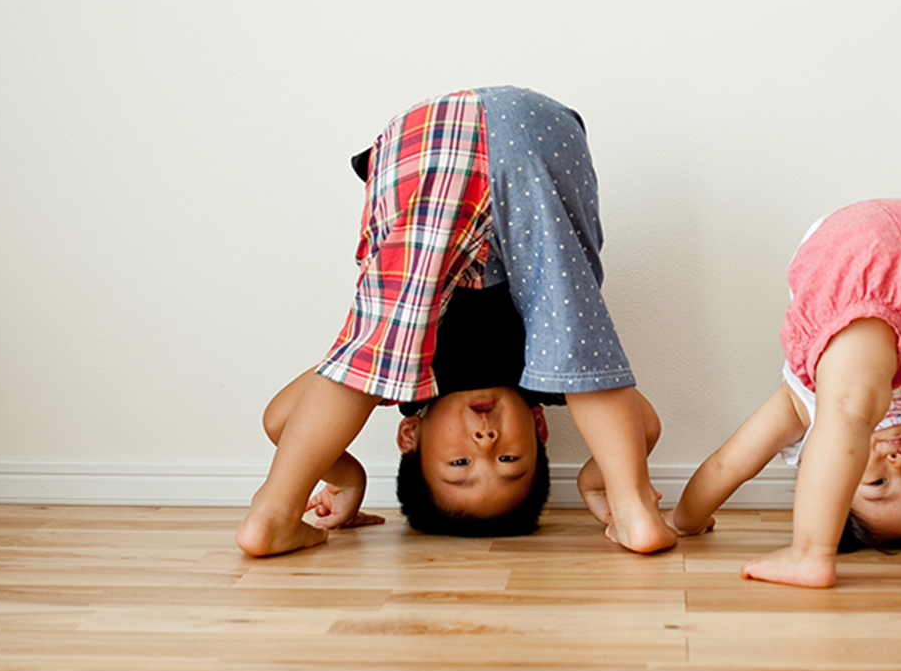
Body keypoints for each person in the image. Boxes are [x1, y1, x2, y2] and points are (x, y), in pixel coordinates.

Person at [236, 87, 673, 557]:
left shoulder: (402, 379)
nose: (486, 442)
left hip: (431, 144)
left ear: (411, 436)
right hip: (533, 138)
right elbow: (643, 426)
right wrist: (598, 476)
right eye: (509, 459)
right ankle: (632, 507)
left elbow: (281, 418)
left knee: (373, 354)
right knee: (577, 344)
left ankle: (274, 512)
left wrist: (346, 475)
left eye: (459, 462)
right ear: (538, 427)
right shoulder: (551, 374)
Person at [667, 199, 901, 587]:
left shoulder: (805, 409)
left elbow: (727, 466)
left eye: (877, 484)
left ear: (826, 477)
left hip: (864, 253)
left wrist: (685, 520)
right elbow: (727, 466)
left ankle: (813, 551)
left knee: (853, 413)